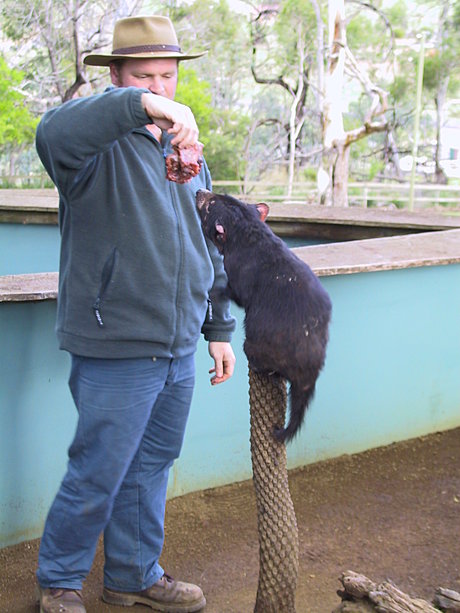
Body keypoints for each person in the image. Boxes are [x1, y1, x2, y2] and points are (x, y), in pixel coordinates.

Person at [35, 15, 236, 613]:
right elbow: (51, 131)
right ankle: (59, 583)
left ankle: (133, 576)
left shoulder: (188, 154)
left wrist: (219, 328)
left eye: (167, 77)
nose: (160, 87)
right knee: (97, 470)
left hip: (177, 345)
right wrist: (142, 105)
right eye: (144, 77)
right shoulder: (89, 151)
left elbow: (210, 241)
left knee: (151, 468)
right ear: (118, 81)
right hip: (115, 343)